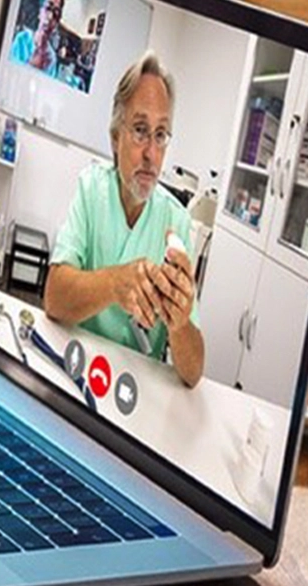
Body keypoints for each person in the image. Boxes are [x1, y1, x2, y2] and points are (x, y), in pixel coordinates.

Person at [43, 51, 205, 387]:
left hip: (136, 387)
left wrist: (179, 322)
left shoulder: (176, 220)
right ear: (116, 137)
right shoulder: (91, 189)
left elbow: (193, 373)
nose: (151, 153)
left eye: (160, 135)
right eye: (140, 130)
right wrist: (116, 283)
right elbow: (54, 298)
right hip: (80, 365)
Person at [10, 0, 66, 78]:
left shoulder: (52, 58)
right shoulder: (21, 39)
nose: (50, 17)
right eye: (48, 8)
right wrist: (31, 67)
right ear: (40, 12)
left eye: (56, 14)